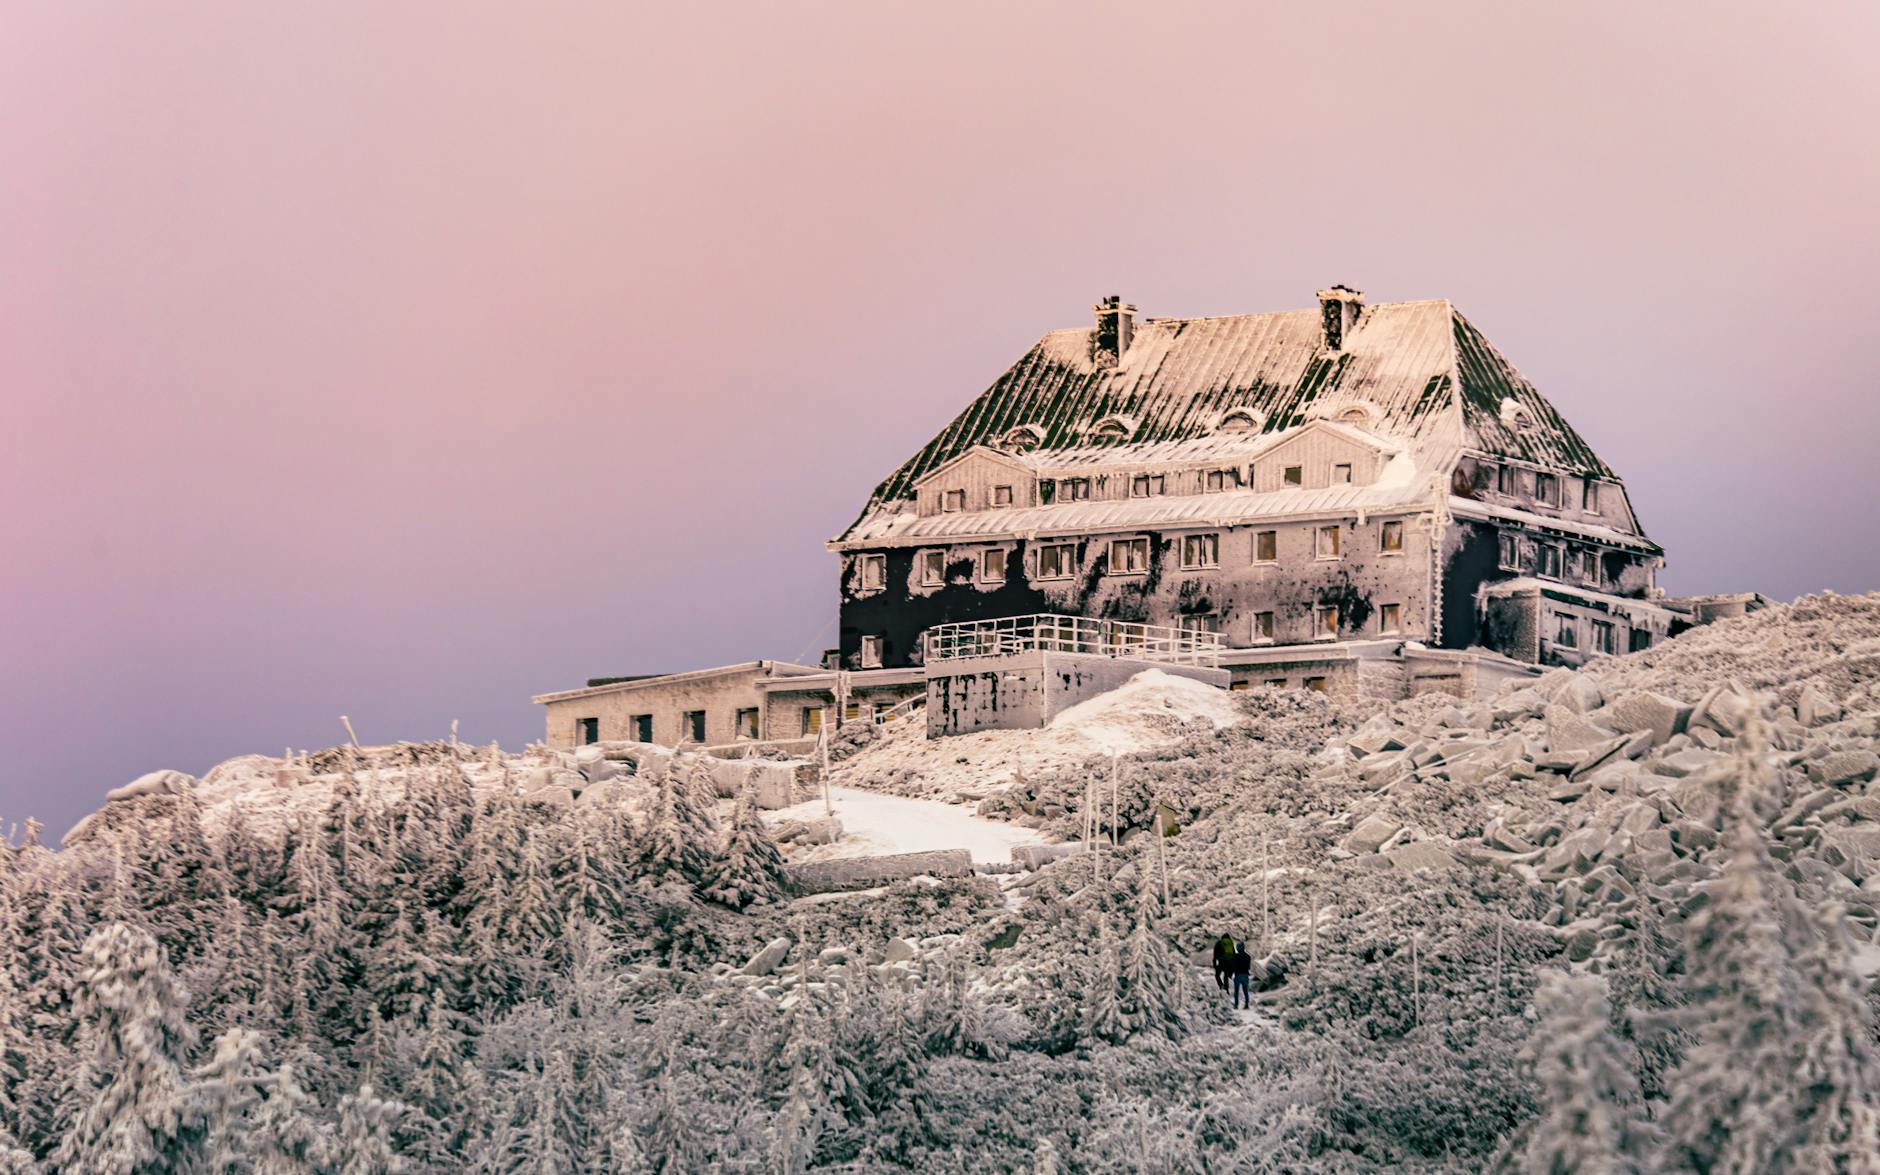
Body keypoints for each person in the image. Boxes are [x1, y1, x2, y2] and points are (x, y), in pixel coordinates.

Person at [1230, 939, 1253, 1010]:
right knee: (1246, 991)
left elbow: (1233, 966)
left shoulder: (1235, 956)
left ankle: (1236, 1005)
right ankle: (1246, 1004)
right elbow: (1249, 967)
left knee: (1236, 991)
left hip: (1238, 975)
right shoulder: (1248, 956)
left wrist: (1231, 974)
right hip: (1245, 975)